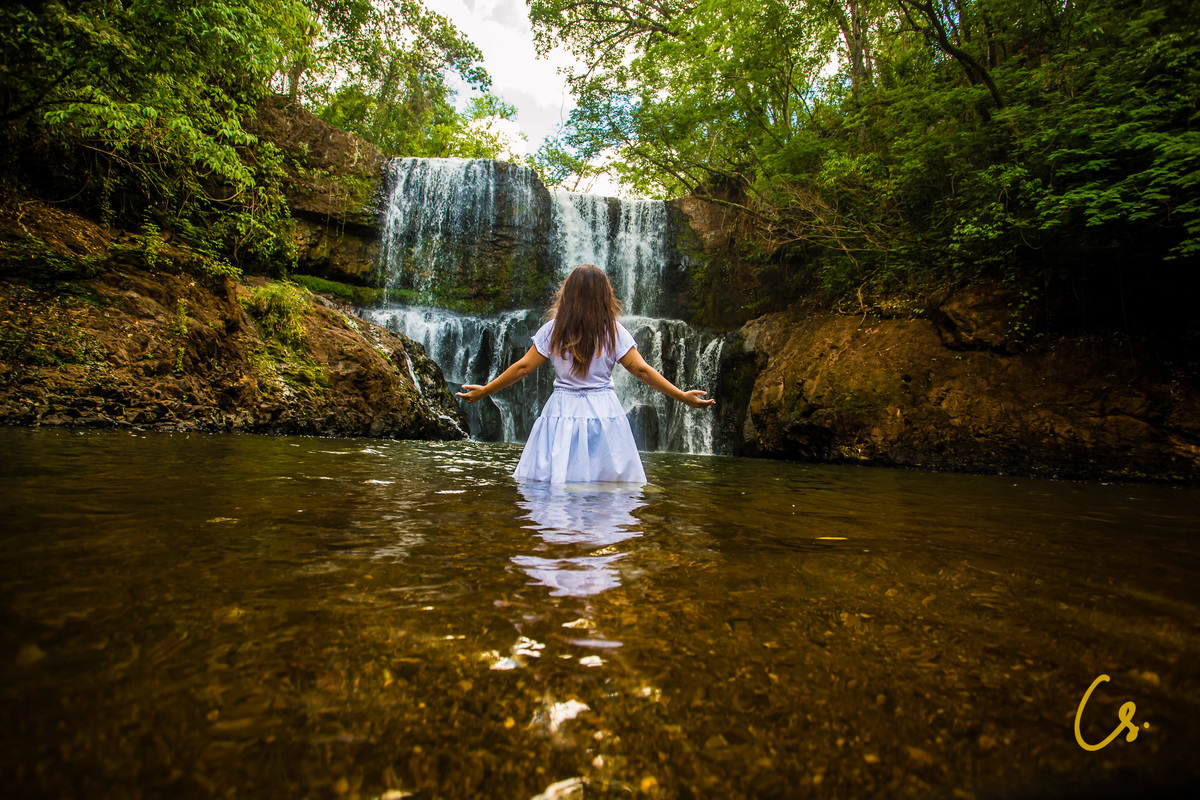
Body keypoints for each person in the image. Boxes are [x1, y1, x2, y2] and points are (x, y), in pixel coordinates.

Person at [455, 264, 715, 484]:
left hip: (561, 411)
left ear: (568, 293)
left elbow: (523, 367)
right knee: (605, 486)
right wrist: (681, 396)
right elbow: (643, 371)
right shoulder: (613, 332)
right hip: (604, 412)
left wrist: (486, 390)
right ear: (605, 295)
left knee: (556, 482)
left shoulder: (553, 330)